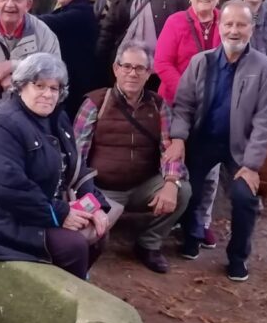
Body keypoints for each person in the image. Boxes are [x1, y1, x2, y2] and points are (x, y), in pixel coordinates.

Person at [0, 53, 112, 280]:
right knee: (73, 246)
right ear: (20, 87)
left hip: (40, 207)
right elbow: (9, 188)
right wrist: (61, 214)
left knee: (100, 231)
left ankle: (75, 282)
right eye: (39, 85)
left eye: (54, 88)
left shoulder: (58, 118)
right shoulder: (2, 125)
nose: (47, 94)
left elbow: (76, 164)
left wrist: (94, 203)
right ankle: (71, 298)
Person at [165, 1, 267, 279]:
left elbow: (265, 120)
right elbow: (183, 105)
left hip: (240, 147)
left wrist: (251, 165)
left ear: (251, 29)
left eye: (241, 24)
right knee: (190, 187)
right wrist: (179, 137)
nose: (234, 30)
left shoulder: (263, 67)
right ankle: (191, 237)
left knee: (243, 196)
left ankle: (238, 257)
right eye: (229, 24)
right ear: (220, 27)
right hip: (203, 139)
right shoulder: (201, 62)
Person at [74, 41, 192, 273]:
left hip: (141, 187)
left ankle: (149, 244)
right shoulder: (95, 103)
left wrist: (170, 183)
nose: (132, 73)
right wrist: (84, 192)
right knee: (85, 241)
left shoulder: (158, 106)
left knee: (183, 189)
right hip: (103, 189)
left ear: (149, 73)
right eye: (126, 66)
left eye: (139, 68)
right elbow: (77, 155)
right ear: (116, 69)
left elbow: (169, 150)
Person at [152, 0, 224, 249]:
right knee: (176, 162)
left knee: (210, 170)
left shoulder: (225, 22)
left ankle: (201, 221)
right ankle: (174, 217)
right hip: (175, 103)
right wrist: (189, 91)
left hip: (215, 106)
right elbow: (162, 63)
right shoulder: (176, 22)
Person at [153, 0, 223, 105]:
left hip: (216, 101)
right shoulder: (175, 22)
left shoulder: (227, 21)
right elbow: (162, 63)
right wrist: (186, 93)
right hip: (177, 102)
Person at [39, 0, 99, 117]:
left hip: (75, 86)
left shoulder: (82, 13)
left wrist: (20, 16)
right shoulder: (70, 9)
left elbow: (49, 22)